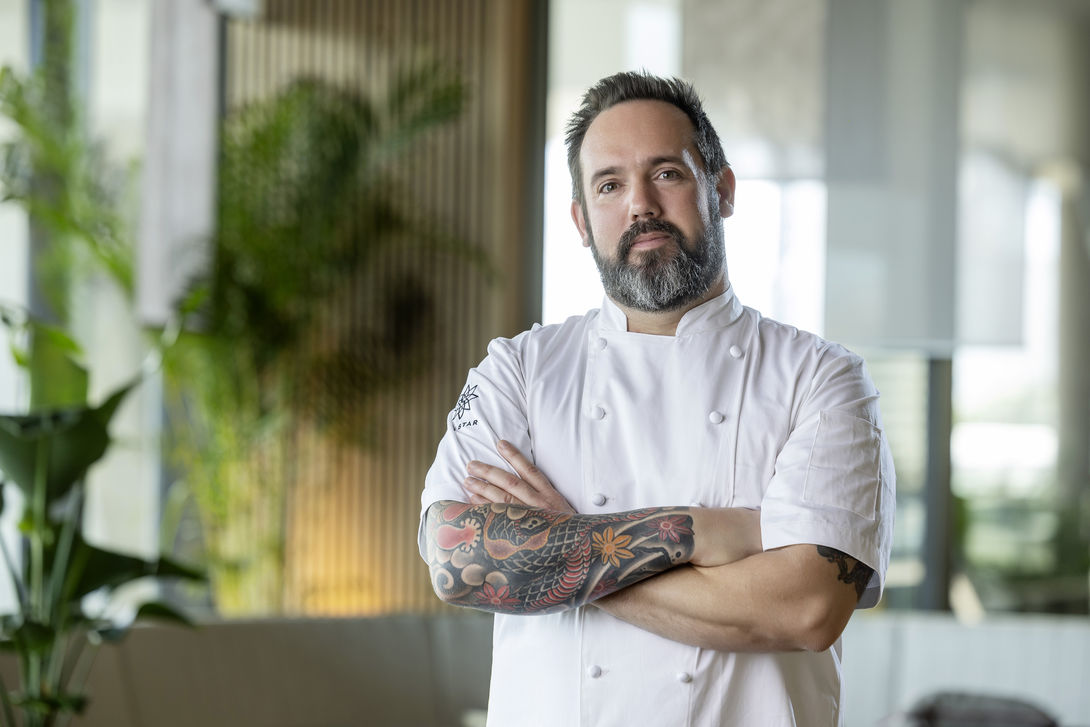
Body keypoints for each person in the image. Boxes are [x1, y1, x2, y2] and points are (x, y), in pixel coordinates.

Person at [418, 71, 895, 727]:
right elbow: (457, 560)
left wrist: (560, 544)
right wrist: (715, 532)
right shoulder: (520, 371)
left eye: (666, 173)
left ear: (721, 189)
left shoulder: (822, 379)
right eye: (610, 184)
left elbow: (807, 610)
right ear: (583, 222)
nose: (639, 203)